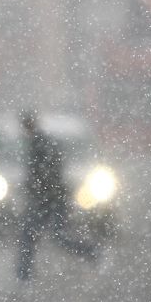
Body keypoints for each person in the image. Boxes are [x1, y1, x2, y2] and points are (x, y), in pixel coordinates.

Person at [16, 109, 96, 280]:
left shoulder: (41, 144)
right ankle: (24, 275)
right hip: (49, 199)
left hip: (49, 200)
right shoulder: (39, 143)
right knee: (45, 235)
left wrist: (39, 189)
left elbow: (47, 174)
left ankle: (91, 252)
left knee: (47, 236)